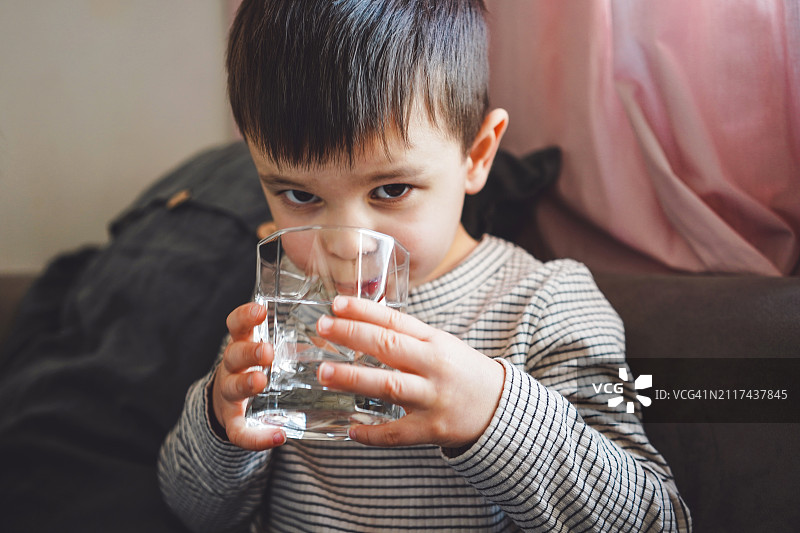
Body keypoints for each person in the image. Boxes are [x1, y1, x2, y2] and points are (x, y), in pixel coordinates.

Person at [158, 1, 691, 531]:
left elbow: (656, 522)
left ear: (477, 155)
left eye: (391, 189)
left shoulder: (546, 303)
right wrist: (219, 421)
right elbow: (193, 509)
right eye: (300, 195)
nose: (345, 246)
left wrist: (493, 414)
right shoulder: (283, 310)